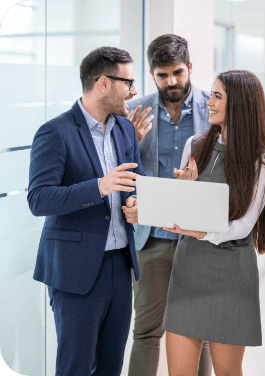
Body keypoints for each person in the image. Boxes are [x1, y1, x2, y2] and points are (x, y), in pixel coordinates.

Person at [27, 46, 145, 376]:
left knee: (110, 366)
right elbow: (39, 199)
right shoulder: (55, 132)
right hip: (75, 273)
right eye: (128, 82)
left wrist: (136, 202)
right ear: (104, 83)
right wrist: (99, 187)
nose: (134, 91)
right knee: (75, 367)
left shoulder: (124, 128)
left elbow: (136, 178)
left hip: (120, 267)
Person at [161, 70, 265, 376]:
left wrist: (202, 230)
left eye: (217, 96)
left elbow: (245, 224)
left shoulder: (261, 159)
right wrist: (183, 192)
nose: (208, 102)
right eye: (211, 94)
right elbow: (182, 211)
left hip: (230, 274)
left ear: (239, 103)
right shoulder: (195, 145)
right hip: (189, 269)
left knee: (227, 372)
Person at [123, 34, 213, 376]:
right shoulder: (134, 112)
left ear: (189, 67)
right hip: (153, 238)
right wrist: (131, 143)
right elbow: (119, 173)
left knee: (198, 331)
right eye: (163, 75)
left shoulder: (214, 107)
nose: (172, 81)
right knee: (146, 330)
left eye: (178, 72)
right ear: (151, 73)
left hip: (198, 239)